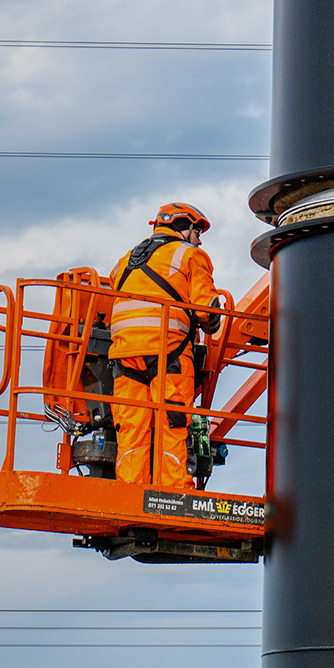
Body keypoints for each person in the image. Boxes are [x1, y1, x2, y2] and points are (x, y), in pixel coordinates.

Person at [108, 202, 226, 487]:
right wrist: (212, 323)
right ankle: (173, 497)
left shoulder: (124, 260)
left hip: (124, 355)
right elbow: (207, 309)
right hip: (168, 353)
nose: (199, 240)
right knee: (173, 424)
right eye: (198, 233)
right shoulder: (191, 255)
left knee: (131, 429)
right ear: (185, 228)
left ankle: (130, 495)